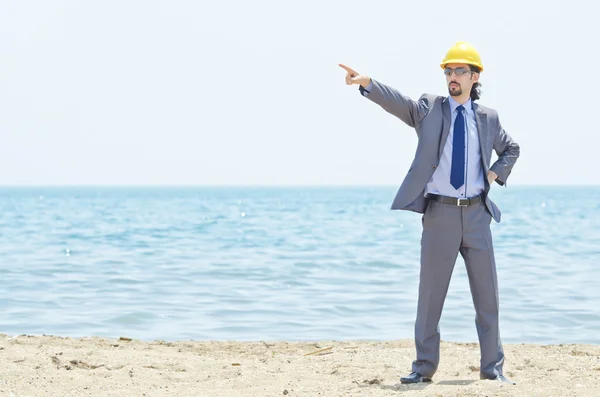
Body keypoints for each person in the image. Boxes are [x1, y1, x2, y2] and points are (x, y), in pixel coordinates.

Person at [339, 41, 520, 384]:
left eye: (459, 71)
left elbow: (512, 148)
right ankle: (423, 368)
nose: (452, 77)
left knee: (487, 296)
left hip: (478, 216)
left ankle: (492, 369)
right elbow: (400, 104)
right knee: (430, 295)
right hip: (441, 215)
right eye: (448, 71)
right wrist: (368, 84)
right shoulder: (430, 107)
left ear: (474, 76)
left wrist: (496, 173)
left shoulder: (488, 118)